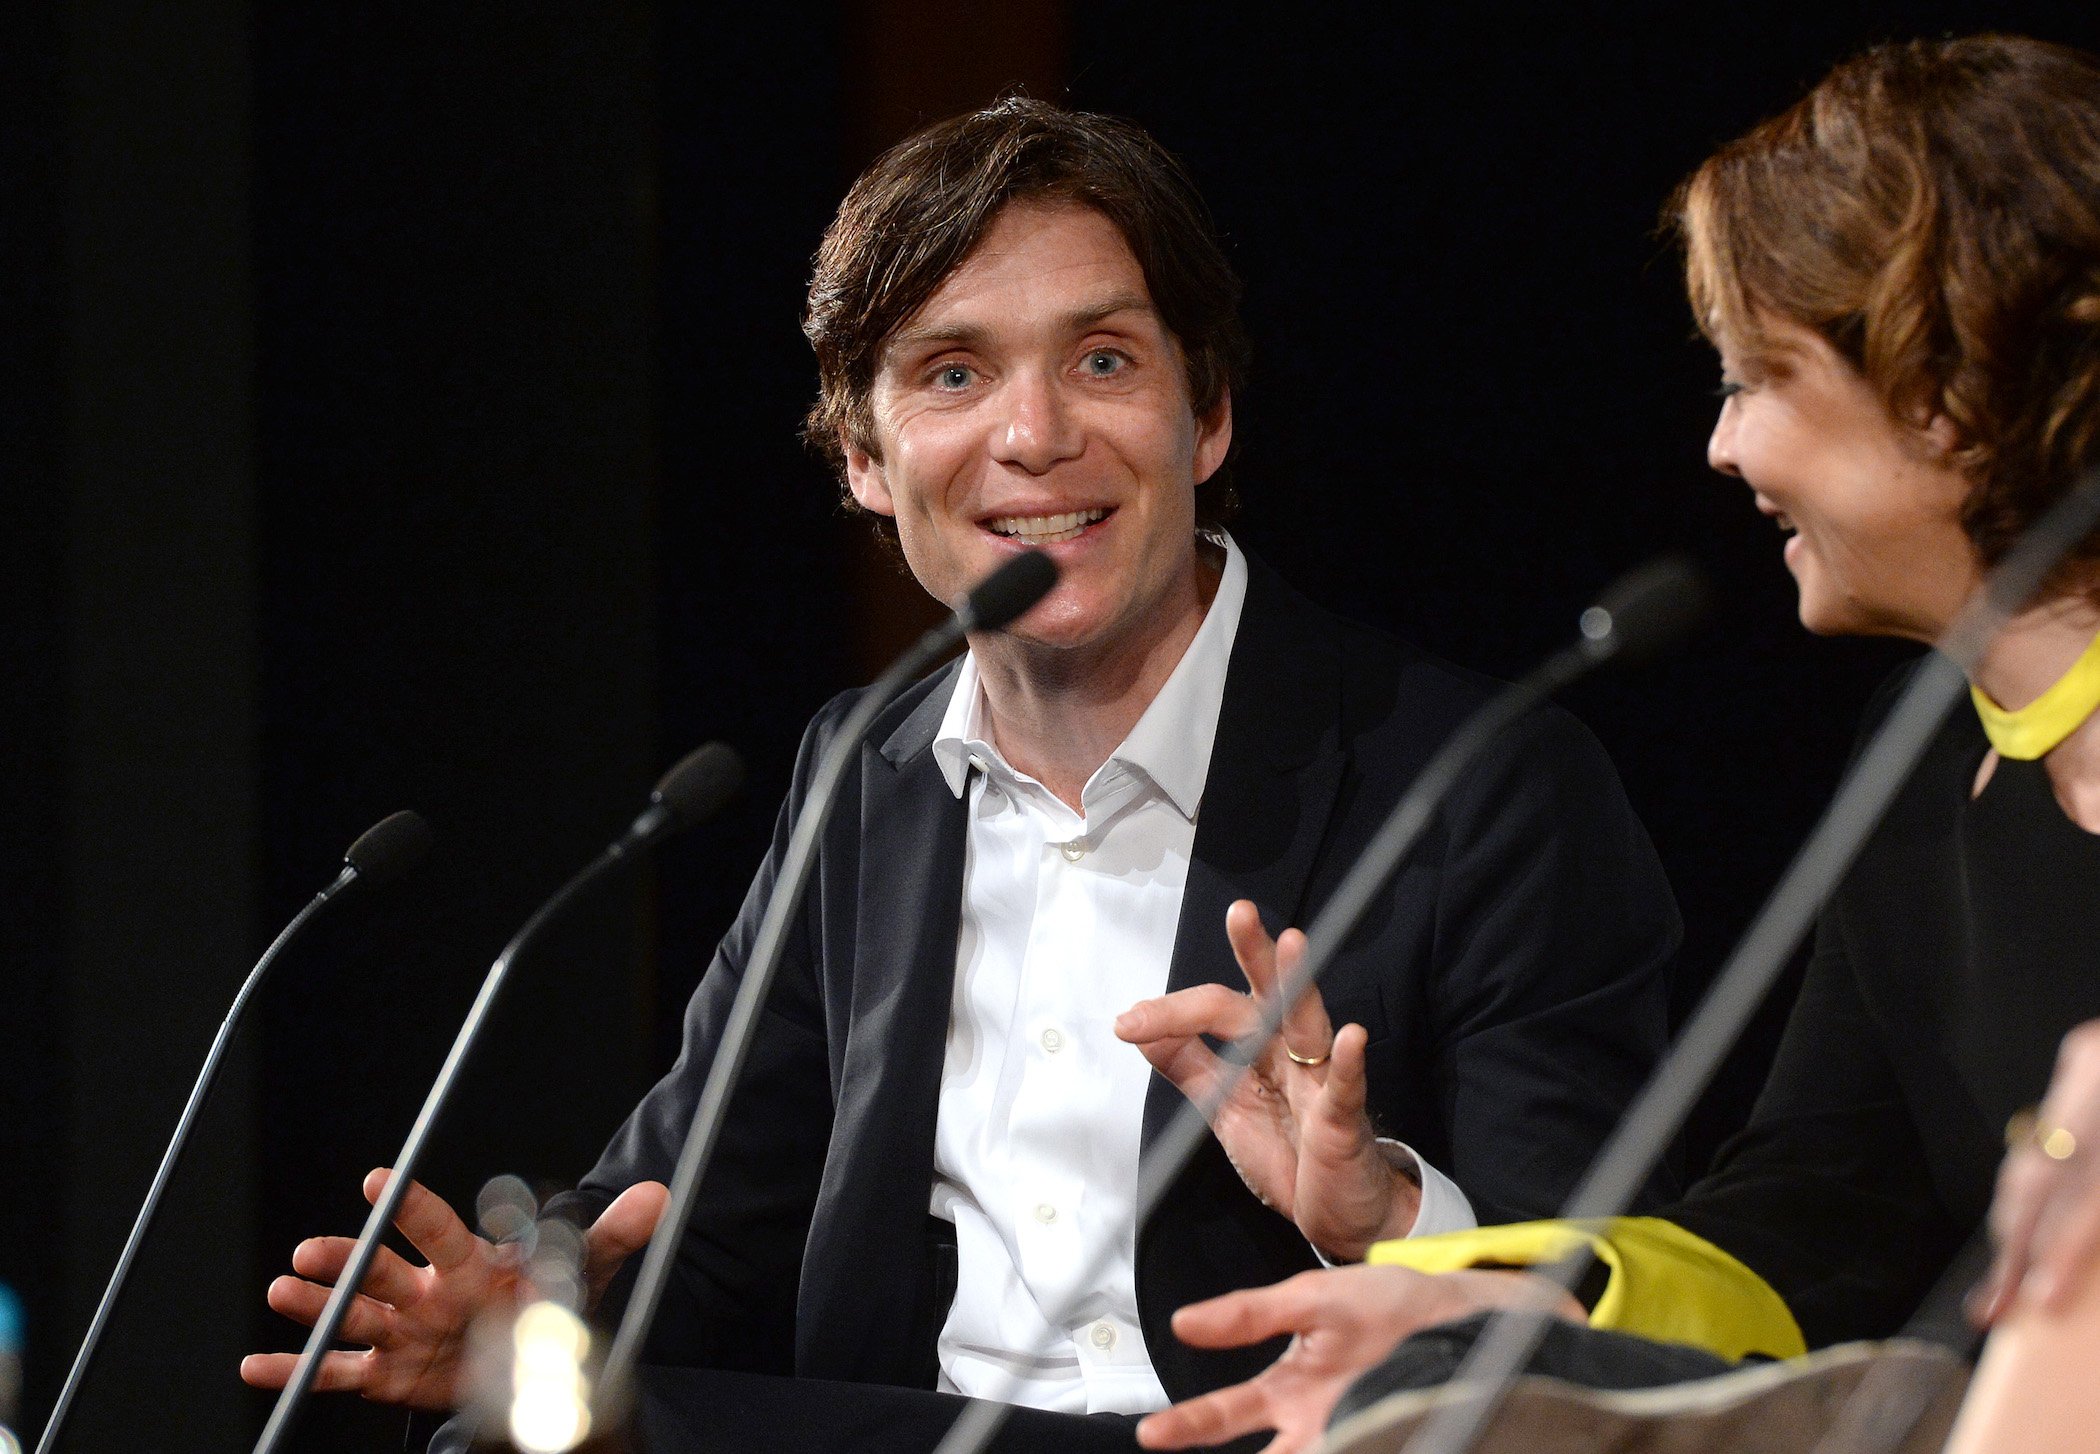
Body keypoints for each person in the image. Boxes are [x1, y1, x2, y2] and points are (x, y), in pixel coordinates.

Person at [240, 97, 1681, 1445]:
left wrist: (1386, 1217)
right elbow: (694, 1207)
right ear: (865, 454)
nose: (1036, 434)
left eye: (1104, 359)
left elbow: (1612, 1317)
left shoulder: (1485, 783)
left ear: (1211, 410)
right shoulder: (864, 768)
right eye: (953, 372)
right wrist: (537, 1312)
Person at [1128, 33, 2100, 1454]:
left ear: (1944, 387)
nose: (1723, 447)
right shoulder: (1922, 756)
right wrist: (1487, 1303)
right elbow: (1810, 1227)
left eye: (1756, 376)